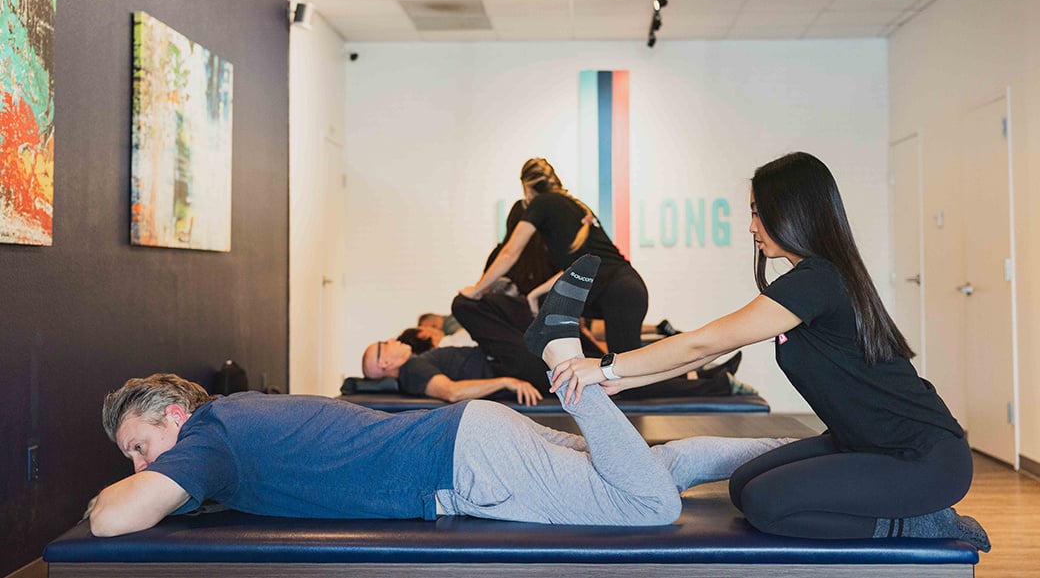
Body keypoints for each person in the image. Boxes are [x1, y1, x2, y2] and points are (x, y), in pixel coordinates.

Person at [90, 263, 790, 537]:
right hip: (472, 435)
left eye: (139, 447)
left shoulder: (208, 441)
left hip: (467, 467)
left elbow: (111, 521)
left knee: (648, 505)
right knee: (653, 469)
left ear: (176, 414)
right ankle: (806, 450)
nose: (138, 466)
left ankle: (558, 352)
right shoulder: (237, 416)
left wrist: (113, 495)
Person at [543, 153, 991, 552]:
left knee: (766, 504)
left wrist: (603, 364)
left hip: (921, 458)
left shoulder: (818, 280)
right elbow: (705, 353)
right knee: (742, 486)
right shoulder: (811, 280)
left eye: (758, 214)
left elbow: (710, 340)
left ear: (793, 213)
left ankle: (920, 523)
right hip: (862, 443)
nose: (752, 227)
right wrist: (625, 379)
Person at [460, 157, 649, 354]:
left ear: (526, 187)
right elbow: (570, 268)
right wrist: (535, 294)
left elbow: (509, 252)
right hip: (627, 288)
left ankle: (683, 385)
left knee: (625, 375)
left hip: (617, 292)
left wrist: (477, 290)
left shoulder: (541, 203)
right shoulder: (572, 205)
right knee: (625, 371)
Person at [361, 337, 543, 406]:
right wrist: (506, 382)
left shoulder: (414, 366)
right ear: (385, 363)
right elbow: (452, 392)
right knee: (464, 305)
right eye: (384, 344)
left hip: (504, 360)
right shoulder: (411, 369)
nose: (392, 339)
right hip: (506, 365)